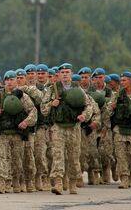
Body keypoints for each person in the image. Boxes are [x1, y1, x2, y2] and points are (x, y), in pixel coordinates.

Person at [41, 63, 93, 195]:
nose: (65, 74)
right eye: (62, 72)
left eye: (67, 72)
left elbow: (88, 106)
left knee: (74, 156)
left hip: (74, 127)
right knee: (57, 155)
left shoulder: (78, 89)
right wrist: (52, 104)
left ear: (71, 73)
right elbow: (43, 108)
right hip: (58, 127)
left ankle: (73, 183)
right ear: (59, 75)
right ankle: (58, 183)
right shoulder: (53, 89)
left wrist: (84, 116)